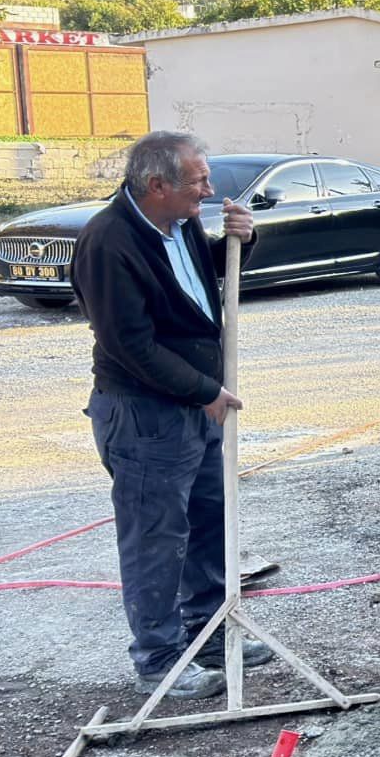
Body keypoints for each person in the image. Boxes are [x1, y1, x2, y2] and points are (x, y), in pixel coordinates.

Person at [70, 131, 266, 699]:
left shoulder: (176, 225)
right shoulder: (110, 242)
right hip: (145, 414)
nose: (209, 191)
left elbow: (196, 285)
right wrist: (204, 389)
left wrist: (240, 243)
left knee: (208, 519)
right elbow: (129, 343)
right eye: (199, 181)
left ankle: (205, 634)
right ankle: (158, 658)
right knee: (156, 536)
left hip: (194, 404)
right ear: (157, 186)